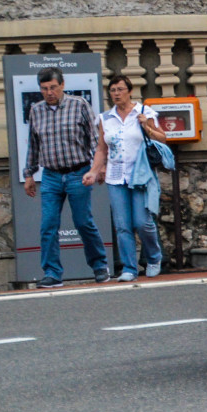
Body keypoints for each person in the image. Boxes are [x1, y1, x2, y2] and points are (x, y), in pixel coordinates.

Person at [22, 66, 111, 288]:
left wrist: (99, 167)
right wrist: (29, 175)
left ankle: (99, 265)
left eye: (53, 87)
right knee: (48, 224)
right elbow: (33, 145)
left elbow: (94, 139)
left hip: (78, 172)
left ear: (62, 85)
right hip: (51, 175)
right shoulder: (36, 110)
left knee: (83, 222)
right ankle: (52, 272)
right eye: (44, 89)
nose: (49, 92)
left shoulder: (79, 105)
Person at [85, 75, 167, 282]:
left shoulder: (143, 112)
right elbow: (101, 149)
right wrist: (94, 171)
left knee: (142, 222)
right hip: (115, 176)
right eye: (113, 90)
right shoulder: (105, 118)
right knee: (122, 225)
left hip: (140, 174)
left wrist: (146, 126)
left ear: (129, 91)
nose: (116, 93)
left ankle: (154, 257)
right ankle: (129, 267)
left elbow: (162, 138)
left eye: (120, 89)